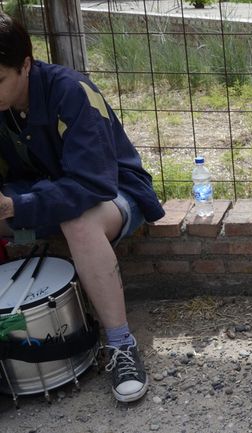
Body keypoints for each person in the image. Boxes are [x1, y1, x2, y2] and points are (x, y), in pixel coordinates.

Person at [0, 12, 165, 403]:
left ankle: (121, 345)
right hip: (37, 202)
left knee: (77, 222)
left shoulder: (71, 91)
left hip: (114, 195)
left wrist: (15, 205)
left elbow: (92, 185)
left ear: (25, 64)